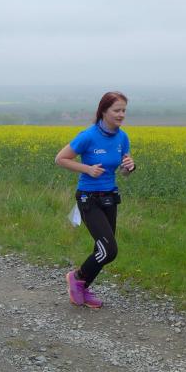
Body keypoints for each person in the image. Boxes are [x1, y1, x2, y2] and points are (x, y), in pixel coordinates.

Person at [54, 91, 135, 308]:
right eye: (116, 110)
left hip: (110, 197)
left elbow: (123, 172)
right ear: (104, 111)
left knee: (103, 249)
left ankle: (82, 285)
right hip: (88, 198)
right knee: (109, 249)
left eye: (124, 110)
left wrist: (129, 167)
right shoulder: (88, 136)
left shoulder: (122, 137)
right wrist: (87, 169)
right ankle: (76, 278)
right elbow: (60, 159)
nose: (121, 115)